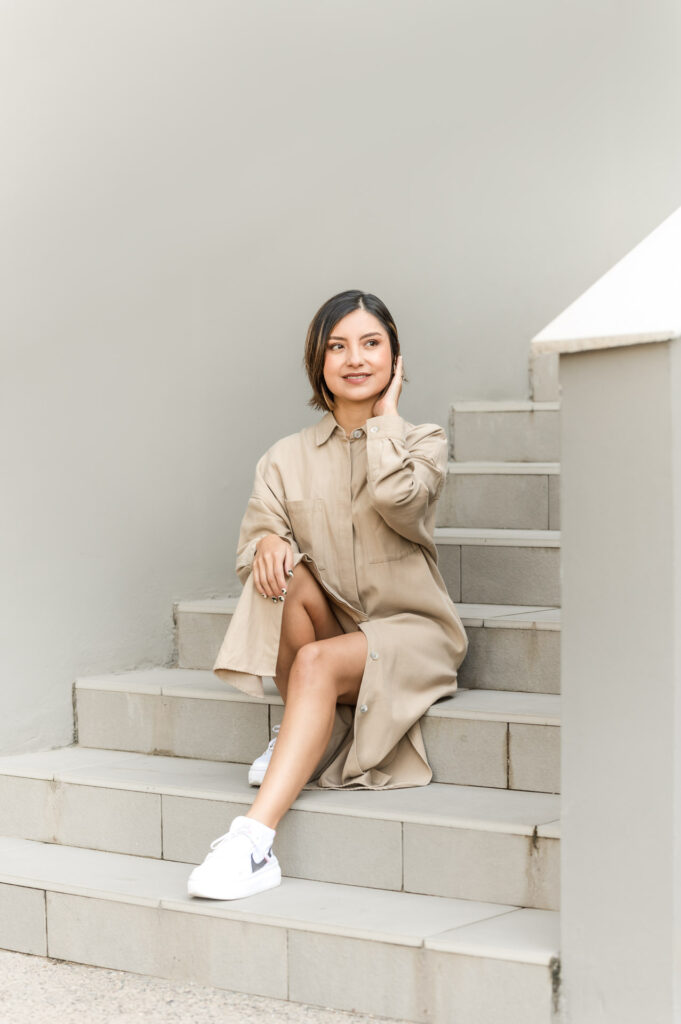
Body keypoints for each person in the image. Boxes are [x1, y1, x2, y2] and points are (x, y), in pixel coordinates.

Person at [187, 289, 468, 900]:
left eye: (372, 344)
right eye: (337, 346)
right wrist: (265, 543)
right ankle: (300, 726)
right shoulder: (284, 458)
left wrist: (385, 418)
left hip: (412, 631)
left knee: (315, 660)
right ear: (318, 361)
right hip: (337, 625)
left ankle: (254, 842)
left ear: (395, 356)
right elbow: (256, 541)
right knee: (279, 569)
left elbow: (399, 500)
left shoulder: (423, 441)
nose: (355, 359)